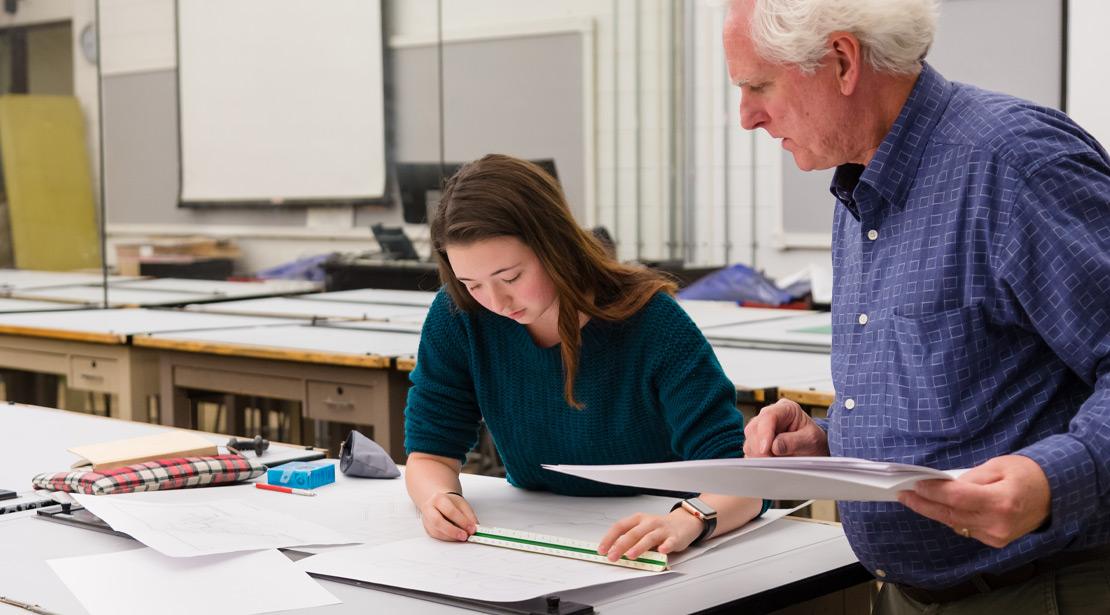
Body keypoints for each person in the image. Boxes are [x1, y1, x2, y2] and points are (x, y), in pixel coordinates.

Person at [724, 0, 1110, 612]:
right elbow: (971, 396)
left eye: (757, 85)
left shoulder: (1017, 164)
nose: (746, 116)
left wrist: (1054, 479)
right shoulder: (859, 185)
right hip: (908, 595)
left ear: (843, 61)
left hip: (1040, 590)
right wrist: (831, 444)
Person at [403, 154, 766, 562]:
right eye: (472, 284)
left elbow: (741, 478)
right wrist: (438, 498)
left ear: (556, 246)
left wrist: (687, 519)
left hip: (655, 545)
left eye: (511, 278)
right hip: (541, 539)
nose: (496, 302)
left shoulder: (652, 322)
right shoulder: (459, 315)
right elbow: (430, 454)